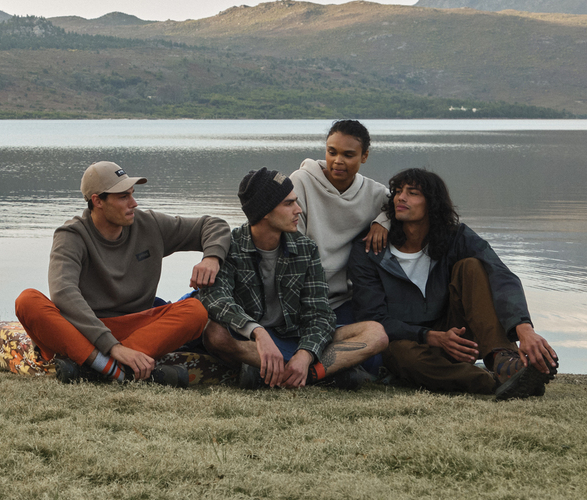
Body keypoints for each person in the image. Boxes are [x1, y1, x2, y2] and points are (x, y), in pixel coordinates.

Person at [346, 166, 558, 400]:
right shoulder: (368, 250)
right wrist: (430, 336)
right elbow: (373, 317)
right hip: (406, 342)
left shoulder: (455, 237)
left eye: (412, 192)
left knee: (473, 267)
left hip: (457, 335)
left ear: (432, 204)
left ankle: (504, 361)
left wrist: (523, 327)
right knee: (404, 356)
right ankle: (493, 381)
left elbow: (501, 273)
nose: (400, 197)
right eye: (397, 191)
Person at [14, 161, 232, 386]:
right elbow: (62, 292)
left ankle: (95, 367)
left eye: (132, 194)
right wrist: (113, 347)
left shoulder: (150, 225)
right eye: (123, 197)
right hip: (83, 330)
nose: (133, 203)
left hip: (137, 329)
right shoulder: (71, 235)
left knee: (195, 311)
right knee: (27, 301)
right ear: (98, 201)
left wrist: (212, 258)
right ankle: (116, 370)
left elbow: (214, 225)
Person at [200, 167, 389, 388]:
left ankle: (300, 375)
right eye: (289, 204)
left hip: (296, 338)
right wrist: (257, 332)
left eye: (296, 201)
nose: (298, 210)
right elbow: (216, 299)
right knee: (214, 334)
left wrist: (306, 354)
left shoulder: (305, 248)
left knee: (376, 334)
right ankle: (323, 374)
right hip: (251, 341)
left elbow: (320, 314)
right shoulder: (230, 246)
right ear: (265, 211)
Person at [288, 119, 391, 311]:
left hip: (344, 298)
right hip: (299, 293)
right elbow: (291, 241)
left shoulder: (374, 193)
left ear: (364, 156)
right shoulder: (301, 181)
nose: (337, 161)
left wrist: (383, 221)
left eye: (348, 155)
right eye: (332, 152)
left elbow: (400, 205)